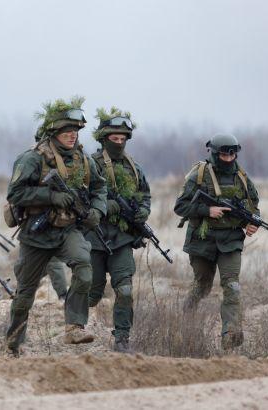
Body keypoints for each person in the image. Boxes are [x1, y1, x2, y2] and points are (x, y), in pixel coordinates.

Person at [5, 96, 107, 356]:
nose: (72, 136)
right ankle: (13, 343)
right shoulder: (32, 159)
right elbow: (15, 194)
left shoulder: (84, 160)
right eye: (66, 131)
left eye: (75, 131)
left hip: (67, 231)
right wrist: (50, 196)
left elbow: (99, 187)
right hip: (36, 234)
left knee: (85, 268)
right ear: (54, 132)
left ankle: (74, 326)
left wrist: (97, 210)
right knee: (25, 296)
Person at [174, 134, 259, 349]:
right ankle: (185, 321)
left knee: (232, 286)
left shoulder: (241, 177)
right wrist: (207, 210)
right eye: (223, 154)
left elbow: (253, 206)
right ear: (214, 153)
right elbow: (180, 207)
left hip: (230, 240)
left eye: (232, 154)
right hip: (203, 239)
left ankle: (229, 334)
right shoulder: (199, 174)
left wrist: (252, 223)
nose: (228, 159)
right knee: (202, 286)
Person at [85, 107, 151, 353]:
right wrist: (106, 206)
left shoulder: (135, 168)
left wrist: (143, 211)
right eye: (115, 138)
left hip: (122, 239)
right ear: (104, 138)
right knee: (91, 292)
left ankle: (122, 338)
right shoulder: (89, 164)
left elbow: (145, 195)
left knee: (124, 290)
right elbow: (81, 197)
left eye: (123, 138)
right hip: (94, 238)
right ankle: (73, 327)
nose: (119, 142)